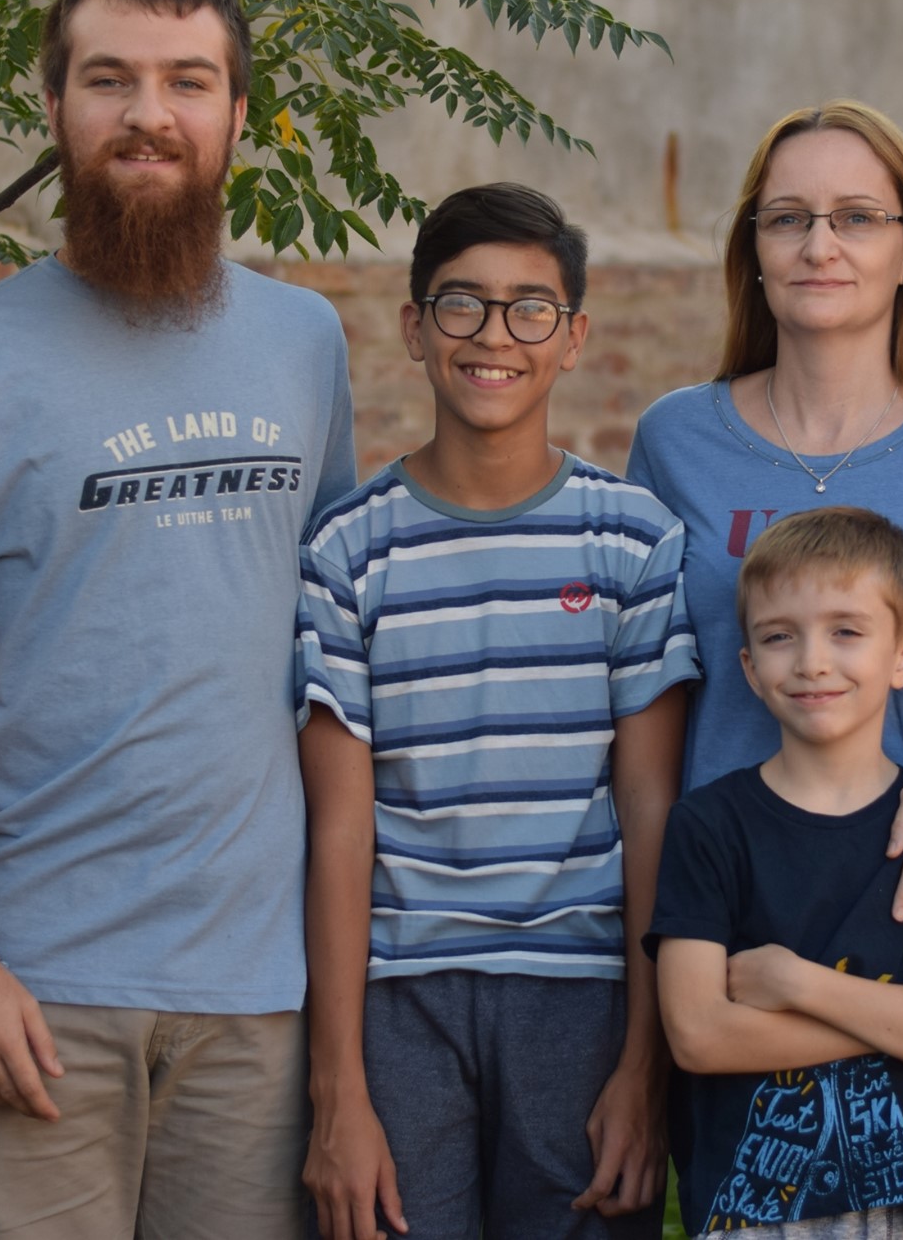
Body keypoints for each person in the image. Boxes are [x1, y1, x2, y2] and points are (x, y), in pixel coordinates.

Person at [0, 0, 355, 1237]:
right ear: (56, 104)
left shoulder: (307, 342)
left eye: (188, 81)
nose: (150, 115)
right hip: (29, 992)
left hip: (258, 994)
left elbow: (330, 652)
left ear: (240, 113)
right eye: (110, 79)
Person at [625, 100, 903, 1157]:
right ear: (752, 252)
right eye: (787, 219)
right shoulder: (677, 439)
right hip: (735, 906)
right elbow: (653, 709)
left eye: (855, 217)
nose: (819, 244)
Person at [296, 182, 699, 1240]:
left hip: (579, 994)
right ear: (413, 329)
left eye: (530, 309)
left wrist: (642, 1067)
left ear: (571, 340)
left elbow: (651, 807)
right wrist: (336, 1090)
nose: (494, 336)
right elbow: (339, 826)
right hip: (401, 1001)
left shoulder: (631, 544)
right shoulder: (348, 552)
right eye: (461, 304)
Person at [648, 507, 903, 1238]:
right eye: (780, 636)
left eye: (846, 631)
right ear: (749, 666)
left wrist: (793, 983)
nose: (813, 660)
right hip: (748, 1211)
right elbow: (699, 1035)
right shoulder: (708, 826)